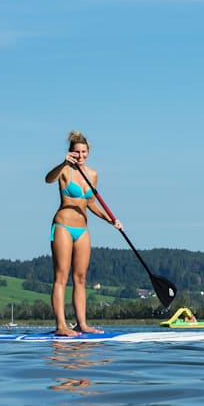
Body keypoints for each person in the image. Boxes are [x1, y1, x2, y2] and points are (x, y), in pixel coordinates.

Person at [45, 131, 122, 336]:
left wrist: (111, 219)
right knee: (61, 277)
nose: (80, 156)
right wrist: (63, 163)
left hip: (83, 229)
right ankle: (61, 326)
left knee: (81, 278)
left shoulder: (93, 174)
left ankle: (82, 324)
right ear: (70, 152)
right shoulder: (64, 172)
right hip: (62, 226)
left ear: (88, 153)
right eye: (77, 152)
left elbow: (90, 203)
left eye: (84, 152)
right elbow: (47, 179)